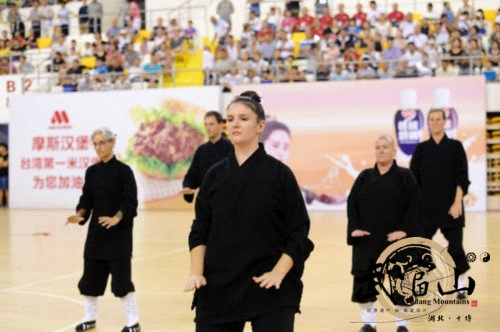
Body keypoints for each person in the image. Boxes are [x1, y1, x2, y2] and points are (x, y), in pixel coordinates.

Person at [185, 91, 314, 332]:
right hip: (219, 285)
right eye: (230, 118)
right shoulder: (214, 175)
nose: (234, 124)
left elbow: (298, 233)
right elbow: (199, 230)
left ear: (260, 126)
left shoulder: (279, 175)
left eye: (243, 118)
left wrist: (278, 273)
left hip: (269, 287)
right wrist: (196, 273)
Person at [66, 128, 141, 332]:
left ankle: (133, 321)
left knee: (122, 282)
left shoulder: (124, 171)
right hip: (96, 236)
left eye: (102, 143)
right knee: (90, 279)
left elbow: (130, 201)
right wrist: (80, 214)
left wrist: (117, 218)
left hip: (119, 236)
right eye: (95, 144)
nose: (98, 147)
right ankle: (90, 318)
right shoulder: (92, 172)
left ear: (112, 143)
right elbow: (86, 200)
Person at [347, 135, 421, 332]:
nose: (381, 150)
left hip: (397, 240)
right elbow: (352, 204)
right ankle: (369, 323)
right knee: (364, 281)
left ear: (394, 151)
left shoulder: (406, 176)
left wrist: (404, 230)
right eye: (378, 147)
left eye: (385, 147)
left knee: (402, 280)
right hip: (368, 239)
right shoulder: (364, 177)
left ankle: (402, 325)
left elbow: (414, 207)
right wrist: (355, 228)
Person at [410, 109, 471, 300]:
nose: (435, 122)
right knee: (420, 247)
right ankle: (421, 282)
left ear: (445, 122)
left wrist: (456, 203)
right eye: (432, 120)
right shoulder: (421, 149)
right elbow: (413, 180)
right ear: (428, 123)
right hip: (425, 209)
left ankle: (460, 284)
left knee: (455, 246)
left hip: (451, 208)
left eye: (438, 119)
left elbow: (463, 178)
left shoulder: (455, 147)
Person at [181, 111, 232, 203]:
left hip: (225, 204)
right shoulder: (201, 150)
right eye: (206, 125)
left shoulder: (231, 149)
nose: (208, 128)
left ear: (220, 125)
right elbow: (192, 175)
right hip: (203, 203)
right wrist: (187, 187)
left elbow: (235, 178)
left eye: (211, 124)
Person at [0, 143, 8, 207]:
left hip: (5, 175)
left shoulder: (8, 156)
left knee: (5, 190)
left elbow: (6, 164)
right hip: (0, 174)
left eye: (1, 147)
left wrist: (2, 164)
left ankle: (8, 203)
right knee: (0, 190)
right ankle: (0, 203)